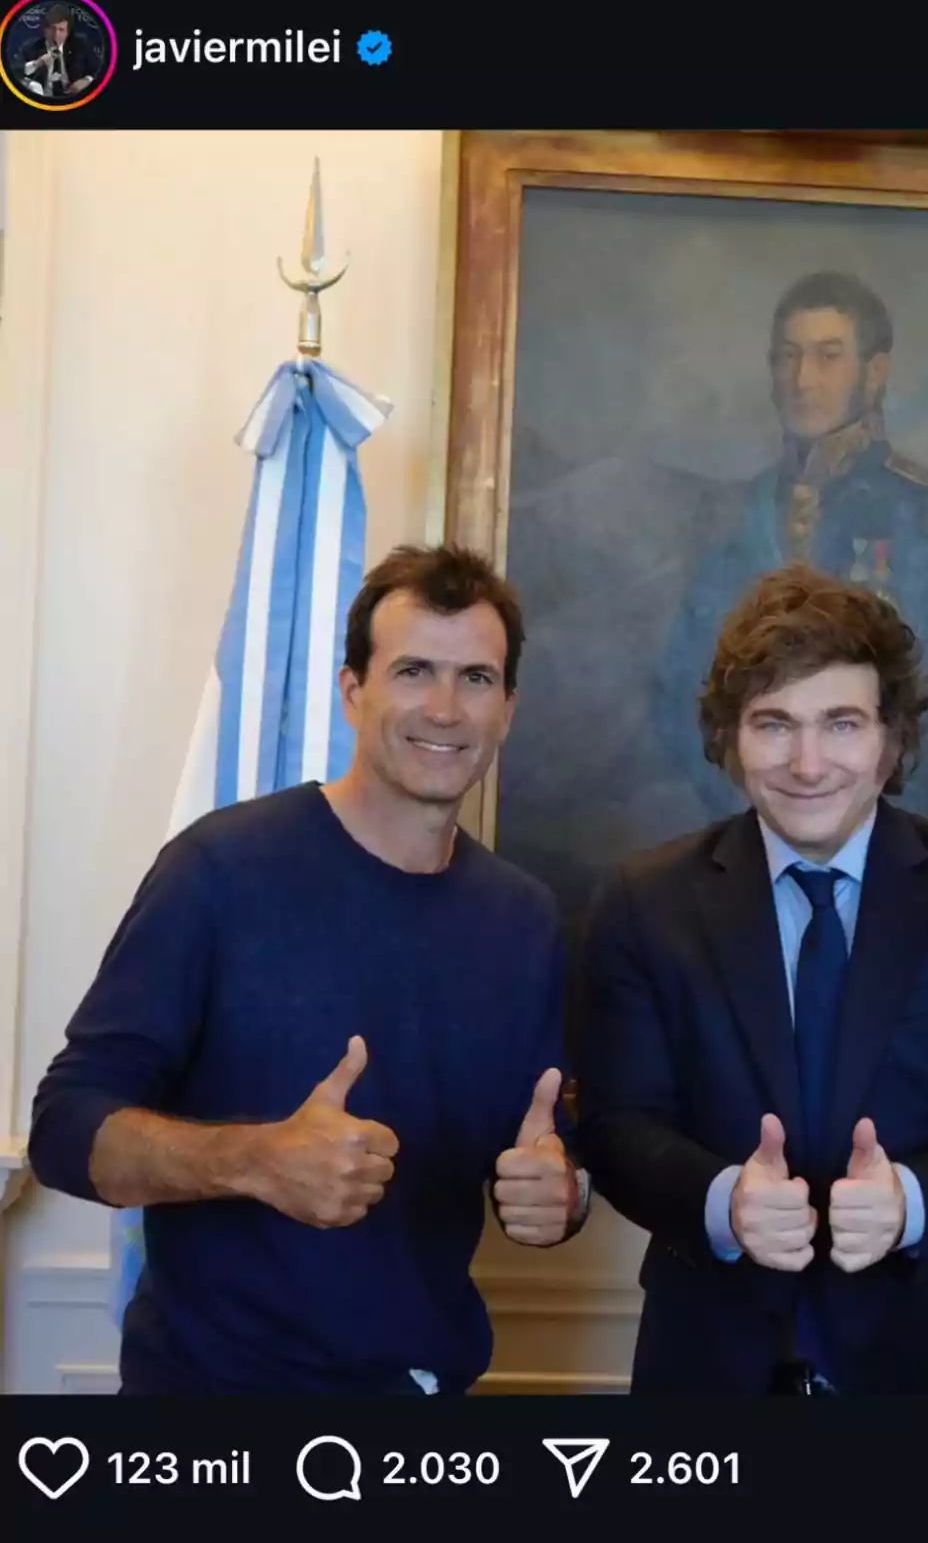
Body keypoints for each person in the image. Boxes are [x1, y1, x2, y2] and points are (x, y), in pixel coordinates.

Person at [28, 543, 590, 1394]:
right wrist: (255, 1160)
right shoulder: (219, 870)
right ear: (352, 691)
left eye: (475, 679)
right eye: (412, 671)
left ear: (507, 707)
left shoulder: (525, 919)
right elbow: (65, 1130)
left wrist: (564, 1194)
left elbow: (550, 1148)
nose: (444, 708)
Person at [579, 562, 928, 1395]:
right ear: (732, 740)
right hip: (713, 1369)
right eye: (774, 724)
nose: (808, 763)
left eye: (841, 724)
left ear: (891, 739)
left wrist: (912, 1202)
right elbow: (619, 1124)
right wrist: (722, 1200)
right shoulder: (642, 901)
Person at [655, 270, 928, 825]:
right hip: (750, 833)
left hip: (898, 835)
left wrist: (837, 803)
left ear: (874, 374)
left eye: (828, 356)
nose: (803, 379)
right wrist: (751, 798)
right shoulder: (735, 516)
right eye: (788, 357)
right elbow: (680, 686)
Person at [15, 2, 100, 100]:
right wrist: (37, 63)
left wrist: (87, 80)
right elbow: (15, 72)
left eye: (61, 30)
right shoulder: (30, 48)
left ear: (68, 32)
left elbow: (98, 70)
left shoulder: (80, 44)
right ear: (45, 30)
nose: (56, 35)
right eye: (52, 29)